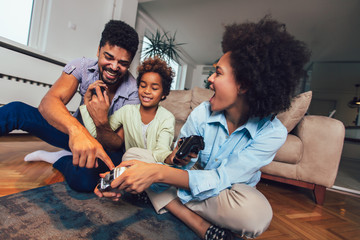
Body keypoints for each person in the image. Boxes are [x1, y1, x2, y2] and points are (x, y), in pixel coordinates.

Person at [94, 16, 311, 240]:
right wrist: (177, 160)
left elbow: (222, 178)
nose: (210, 80)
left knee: (257, 215)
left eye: (218, 72)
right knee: (134, 155)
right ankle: (199, 225)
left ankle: (161, 198)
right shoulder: (202, 112)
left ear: (244, 84)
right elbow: (183, 166)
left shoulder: (272, 133)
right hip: (191, 181)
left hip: (226, 193)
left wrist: (157, 174)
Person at [0, 20, 140, 192]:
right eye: (108, 57)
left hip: (104, 148)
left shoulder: (134, 92)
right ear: (98, 50)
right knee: (16, 110)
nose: (113, 67)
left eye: (123, 63)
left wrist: (102, 122)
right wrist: (77, 131)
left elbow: (117, 144)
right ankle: (72, 149)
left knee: (84, 181)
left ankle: (60, 159)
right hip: (74, 136)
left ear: (130, 63)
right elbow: (48, 103)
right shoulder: (82, 66)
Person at [79, 57, 175, 167]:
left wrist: (172, 158)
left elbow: (161, 153)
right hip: (132, 165)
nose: (147, 91)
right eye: (143, 86)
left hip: (156, 167)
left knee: (131, 154)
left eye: (154, 88)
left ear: (164, 93)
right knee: (129, 155)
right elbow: (96, 133)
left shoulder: (167, 118)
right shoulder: (126, 111)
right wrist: (86, 103)